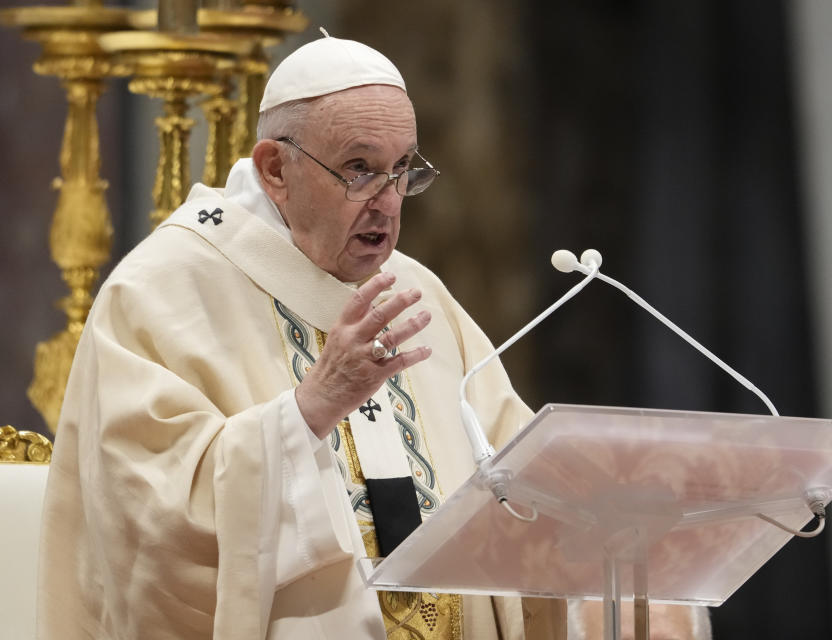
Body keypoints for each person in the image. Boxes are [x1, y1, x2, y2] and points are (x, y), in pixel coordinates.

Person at [37, 35, 561, 639]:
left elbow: (525, 474)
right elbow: (145, 526)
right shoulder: (159, 293)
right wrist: (306, 414)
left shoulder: (418, 294)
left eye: (402, 171)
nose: (388, 203)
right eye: (359, 170)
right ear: (275, 169)